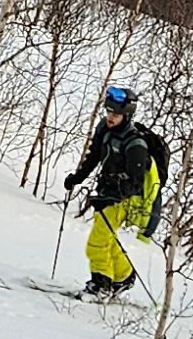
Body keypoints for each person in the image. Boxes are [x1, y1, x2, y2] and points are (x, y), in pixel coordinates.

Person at [62, 82, 169, 299]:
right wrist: (77, 178)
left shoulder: (135, 144)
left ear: (126, 116)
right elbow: (94, 156)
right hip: (106, 192)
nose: (111, 117)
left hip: (125, 200)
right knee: (107, 239)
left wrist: (113, 196)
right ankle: (123, 276)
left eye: (116, 114)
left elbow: (135, 183)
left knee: (97, 242)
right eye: (109, 112)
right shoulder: (104, 129)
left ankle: (101, 285)